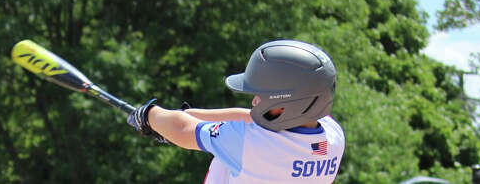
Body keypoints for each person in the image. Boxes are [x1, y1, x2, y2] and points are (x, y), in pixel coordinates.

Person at [127, 39, 345, 183]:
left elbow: (181, 129)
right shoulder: (332, 137)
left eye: (262, 96)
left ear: (286, 104)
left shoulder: (248, 144)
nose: (255, 100)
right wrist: (190, 114)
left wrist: (149, 115)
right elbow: (251, 118)